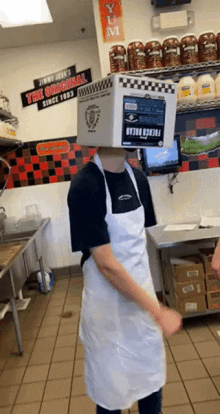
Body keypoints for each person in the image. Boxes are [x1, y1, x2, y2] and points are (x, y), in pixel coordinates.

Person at [67, 147, 182, 414]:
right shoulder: (85, 185)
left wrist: (151, 306)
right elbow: (106, 264)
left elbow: (137, 246)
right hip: (108, 311)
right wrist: (158, 310)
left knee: (151, 387)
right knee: (111, 395)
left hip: (141, 309)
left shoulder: (138, 178)